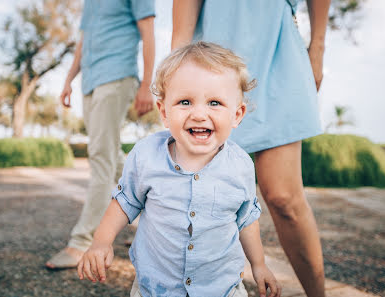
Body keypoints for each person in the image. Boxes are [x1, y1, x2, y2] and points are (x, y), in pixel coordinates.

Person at [77, 42, 281, 297]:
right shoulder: (146, 156)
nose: (199, 114)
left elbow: (246, 218)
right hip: (157, 288)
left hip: (221, 288)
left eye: (214, 103)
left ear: (237, 114)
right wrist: (100, 242)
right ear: (164, 111)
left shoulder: (240, 166)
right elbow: (124, 201)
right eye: (185, 101)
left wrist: (259, 265)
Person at [172, 0, 330, 296]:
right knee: (198, 193)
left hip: (278, 49)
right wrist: (175, 66)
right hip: (213, 58)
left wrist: (318, 45)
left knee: (284, 197)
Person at [46, 0, 155, 269]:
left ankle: (81, 243)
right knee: (111, 155)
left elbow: (148, 33)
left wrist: (146, 85)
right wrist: (69, 79)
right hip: (89, 82)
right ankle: (157, 222)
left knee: (100, 157)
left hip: (117, 76)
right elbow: (83, 43)